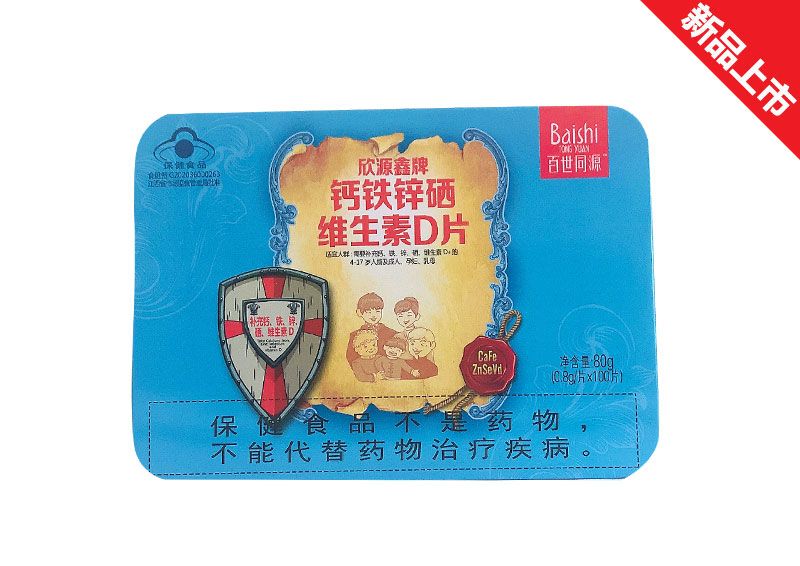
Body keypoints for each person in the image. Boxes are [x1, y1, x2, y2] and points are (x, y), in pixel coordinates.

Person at [346, 292, 398, 365]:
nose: (373, 315)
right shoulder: (355, 335)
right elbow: (351, 357)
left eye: (377, 311)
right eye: (368, 312)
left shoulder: (391, 333)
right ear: (359, 312)